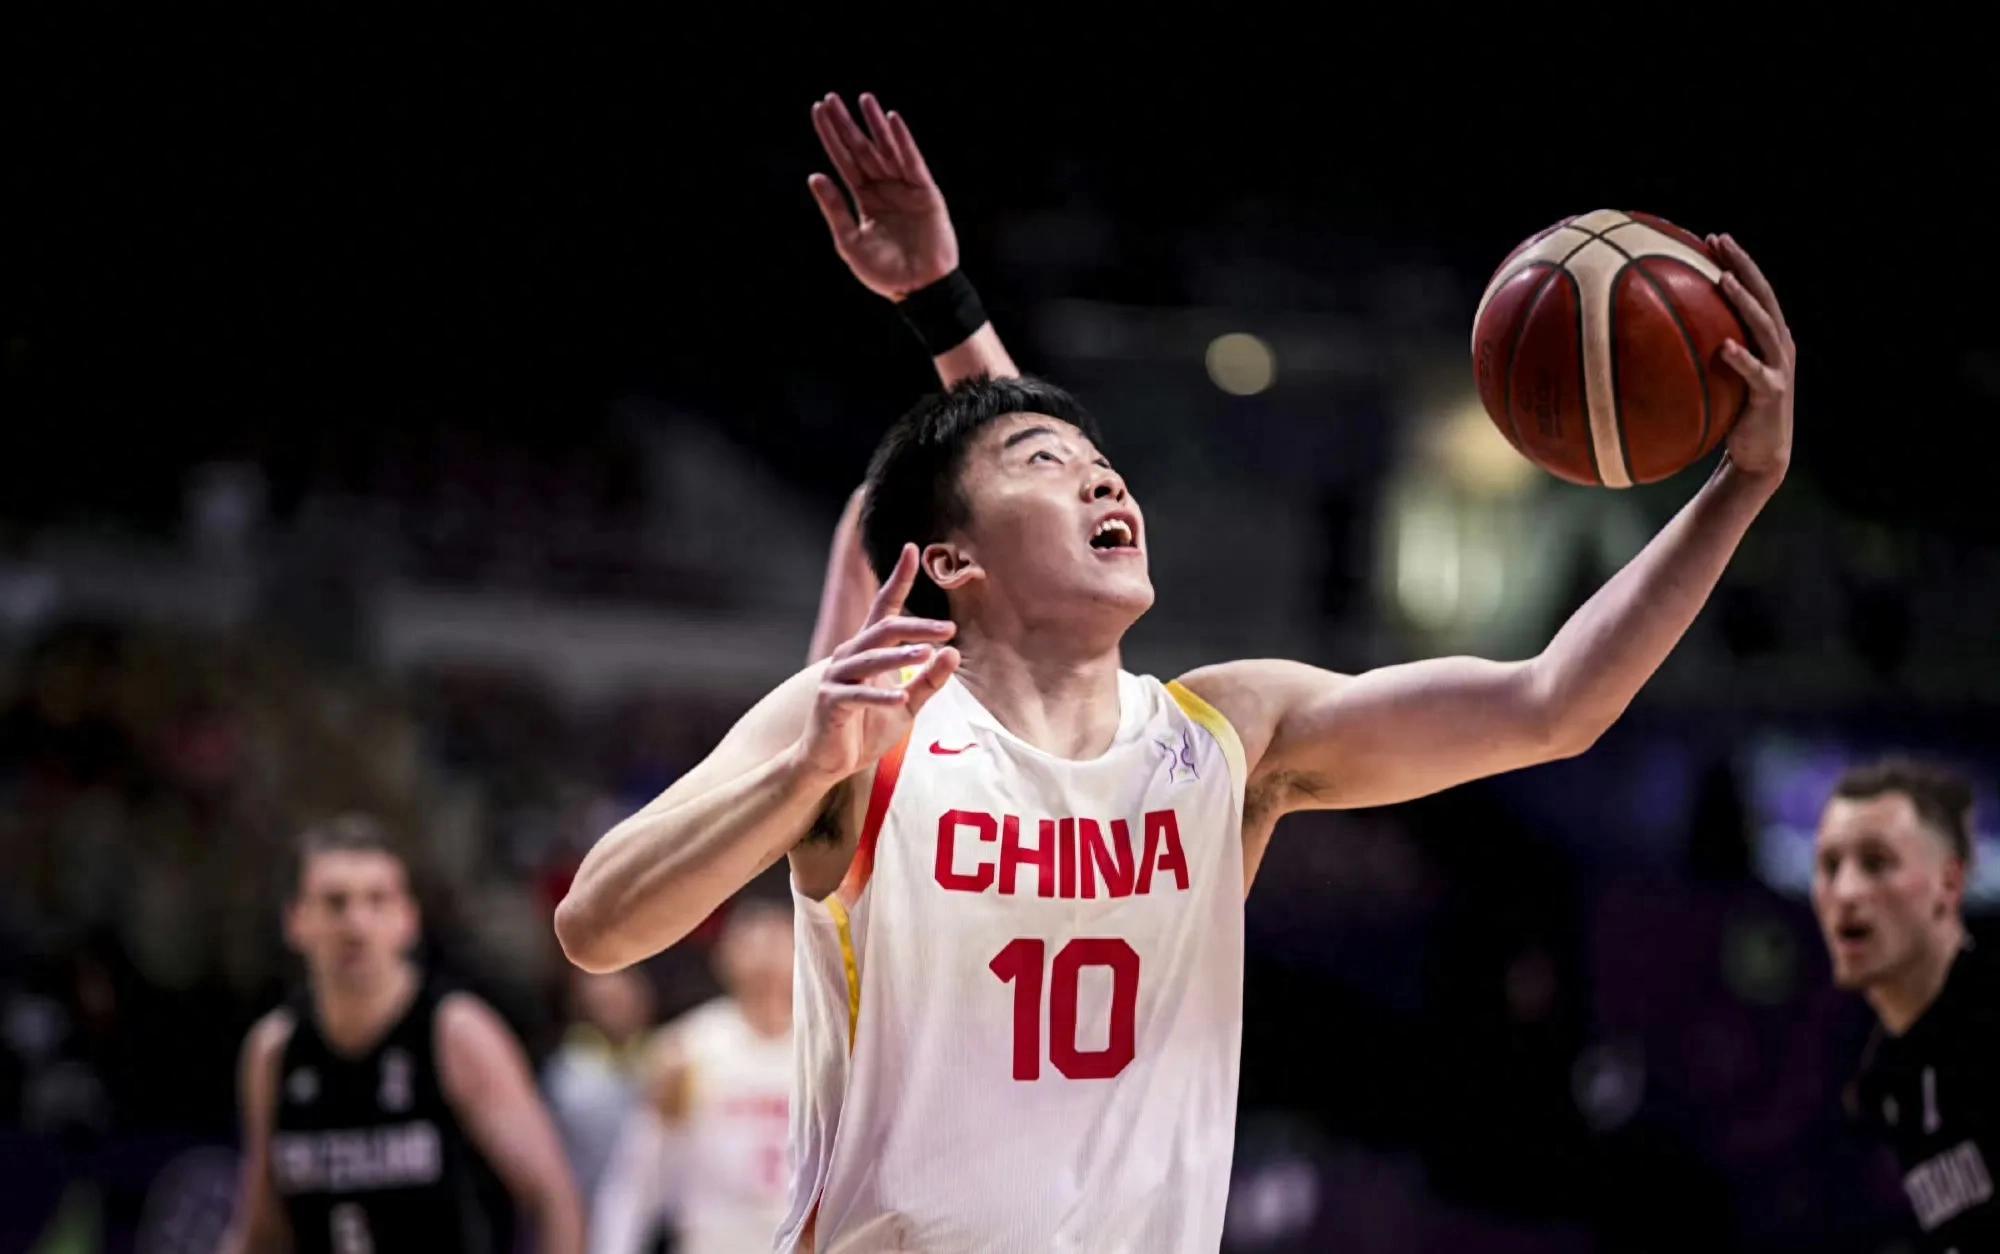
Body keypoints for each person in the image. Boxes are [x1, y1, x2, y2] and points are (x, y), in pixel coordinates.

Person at [554, 92, 1798, 1252]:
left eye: (1103, 466)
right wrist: (796, 778)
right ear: (950, 563)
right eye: (1051, 462)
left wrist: (1739, 489)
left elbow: (1554, 704)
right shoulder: (869, 720)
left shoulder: (1227, 734)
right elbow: (597, 927)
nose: (1103, 477)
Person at [226, 814, 584, 1253]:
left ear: (407, 920)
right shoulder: (274, 1050)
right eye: (336, 903)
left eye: (377, 901)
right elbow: (260, 1229)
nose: (357, 925)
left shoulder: (457, 1034)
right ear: (296, 921)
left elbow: (554, 1201)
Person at [1816, 758, 1996, 1250]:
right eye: (1830, 867)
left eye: (1876, 864)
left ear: (1948, 884)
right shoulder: (1879, 1077)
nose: (1845, 892)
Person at [588, 899, 795, 1253]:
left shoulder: (831, 1047)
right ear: (724, 957)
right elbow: (639, 1171)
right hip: (715, 1240)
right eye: (752, 944)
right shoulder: (687, 1047)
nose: (766, 959)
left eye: (777, 942)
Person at [542, 965, 658, 1208]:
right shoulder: (570, 1077)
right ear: (584, 1007)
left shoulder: (664, 1054)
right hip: (589, 1202)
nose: (618, 1010)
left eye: (622, 999)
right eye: (606, 1004)